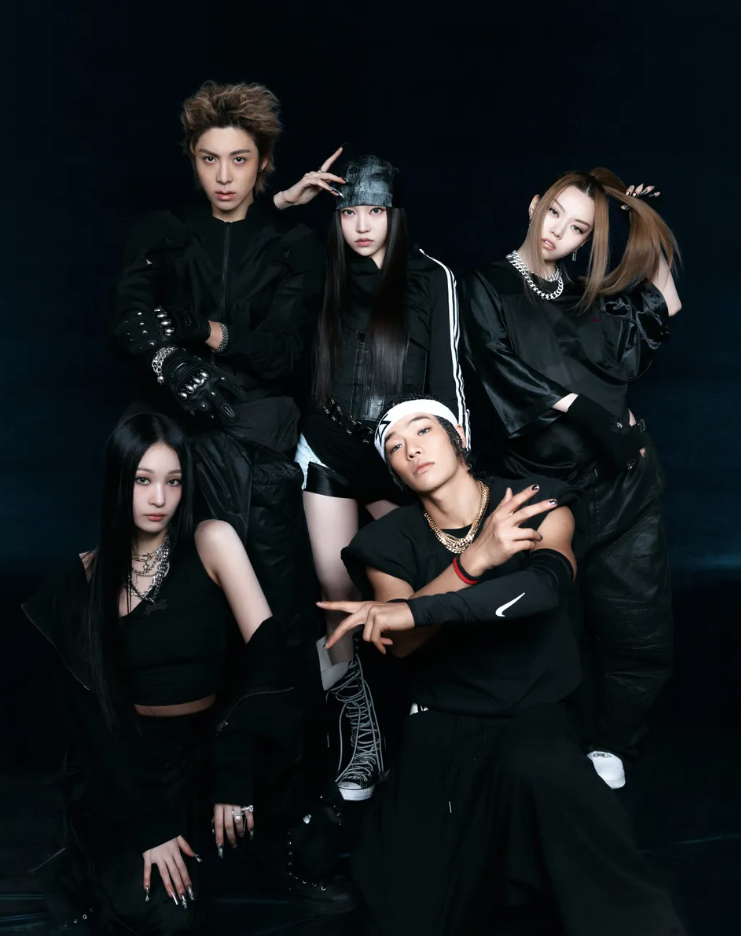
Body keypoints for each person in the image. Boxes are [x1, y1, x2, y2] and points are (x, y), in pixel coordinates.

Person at [320, 396, 687, 936]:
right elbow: (402, 645)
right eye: (394, 446)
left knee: (583, 843)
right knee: (402, 905)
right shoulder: (384, 540)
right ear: (392, 470)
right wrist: (471, 565)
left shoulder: (536, 500)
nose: (411, 448)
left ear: (460, 438)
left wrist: (417, 606)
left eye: (423, 430)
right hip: (440, 723)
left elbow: (544, 588)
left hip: (533, 715)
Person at [22, 413, 352, 935]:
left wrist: (234, 772)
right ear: (118, 482)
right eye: (143, 480)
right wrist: (150, 828)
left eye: (173, 481)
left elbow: (269, 656)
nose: (160, 498)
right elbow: (92, 726)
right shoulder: (81, 579)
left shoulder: (211, 540)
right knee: (166, 916)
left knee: (290, 721)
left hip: (214, 743)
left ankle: (286, 849)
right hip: (136, 764)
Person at [459, 170, 681, 789]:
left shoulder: (590, 295)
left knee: (636, 622)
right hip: (544, 488)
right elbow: (497, 365)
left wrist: (642, 223)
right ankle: (546, 742)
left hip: (623, 485)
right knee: (549, 621)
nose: (559, 232)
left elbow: (661, 309)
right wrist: (588, 414)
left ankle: (612, 742)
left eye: (579, 227)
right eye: (555, 213)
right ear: (534, 204)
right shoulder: (486, 285)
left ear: (588, 240)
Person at [110, 80, 325, 699]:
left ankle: (284, 734)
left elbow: (283, 352)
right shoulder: (162, 231)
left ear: (264, 161)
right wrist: (169, 364)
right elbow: (127, 325)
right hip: (172, 434)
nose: (224, 177)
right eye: (209, 159)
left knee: (276, 598)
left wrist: (201, 329)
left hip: (257, 440)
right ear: (192, 158)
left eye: (239, 159)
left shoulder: (293, 244)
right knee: (168, 599)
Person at [275, 154, 469, 801]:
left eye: (375, 211)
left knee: (417, 592)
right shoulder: (318, 268)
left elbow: (448, 381)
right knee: (335, 595)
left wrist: (452, 471)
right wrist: (285, 203)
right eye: (349, 212)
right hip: (328, 448)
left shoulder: (431, 277)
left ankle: (429, 721)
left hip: (398, 459)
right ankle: (359, 741)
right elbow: (253, 255)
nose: (361, 226)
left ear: (395, 213)